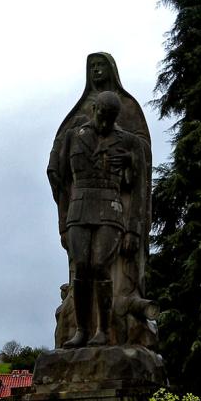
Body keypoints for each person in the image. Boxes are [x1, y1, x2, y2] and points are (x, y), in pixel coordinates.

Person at [49, 91, 146, 348]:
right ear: (94, 110)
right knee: (81, 266)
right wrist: (62, 225)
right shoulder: (73, 137)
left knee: (100, 266)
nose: (105, 120)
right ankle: (81, 331)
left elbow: (138, 190)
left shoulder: (128, 141)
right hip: (79, 209)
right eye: (102, 114)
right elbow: (60, 182)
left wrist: (133, 231)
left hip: (110, 209)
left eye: (110, 116)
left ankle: (103, 331)